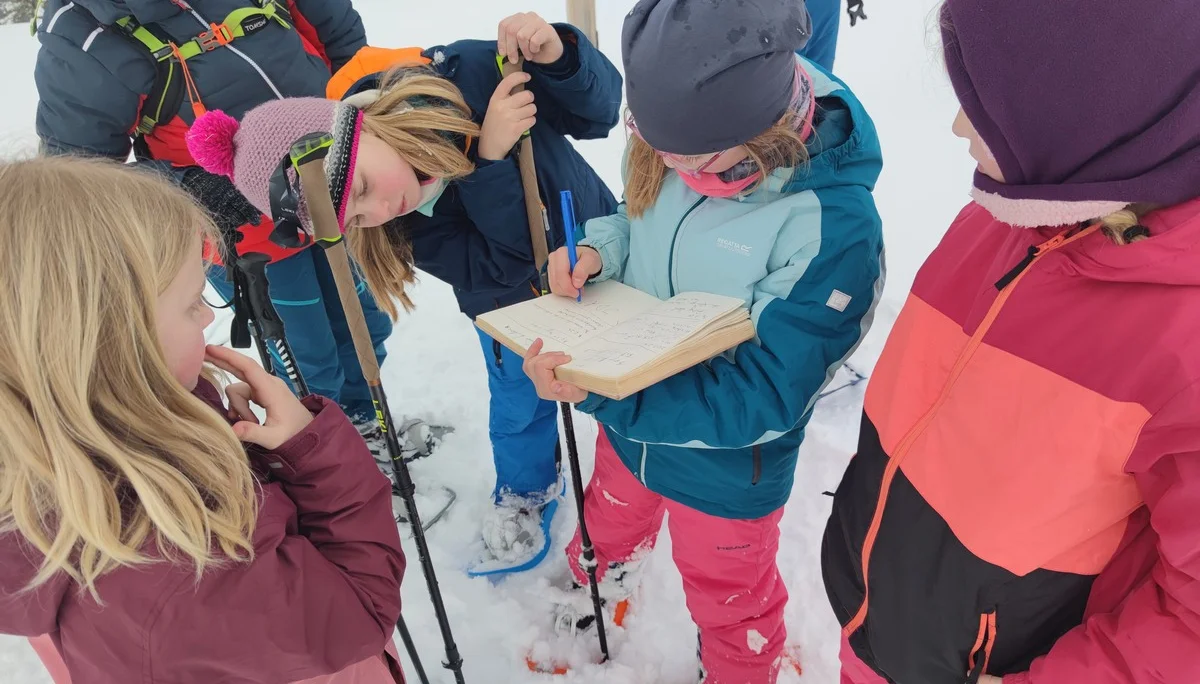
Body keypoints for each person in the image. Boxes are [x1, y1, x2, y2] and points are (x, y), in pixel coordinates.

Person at [822, 2, 1200, 684]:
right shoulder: (1008, 214)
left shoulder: (1182, 338)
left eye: (989, 104)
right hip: (875, 625)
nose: (960, 125)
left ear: (1090, 113)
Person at [521, 1, 884, 680]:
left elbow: (769, 392)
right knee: (613, 510)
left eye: (700, 163)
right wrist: (598, 251)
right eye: (658, 152)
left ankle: (739, 663)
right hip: (632, 427)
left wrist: (614, 395)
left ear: (765, 128)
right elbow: (634, 220)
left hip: (729, 466)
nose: (674, 170)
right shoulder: (672, 133)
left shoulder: (831, 228)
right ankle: (603, 576)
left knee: (728, 587)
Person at [187, 12, 622, 573]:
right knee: (518, 405)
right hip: (512, 311)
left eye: (362, 188)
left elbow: (600, 113)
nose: (378, 212)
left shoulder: (469, 74)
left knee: (622, 388)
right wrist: (486, 161)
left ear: (360, 126)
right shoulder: (404, 223)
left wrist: (558, 56)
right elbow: (508, 261)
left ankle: (629, 493)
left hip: (604, 257)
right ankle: (527, 490)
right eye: (354, 220)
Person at [0, 157, 406, 684]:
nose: (209, 316)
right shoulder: (180, 571)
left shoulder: (86, 454)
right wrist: (311, 453)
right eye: (193, 303)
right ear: (118, 342)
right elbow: (359, 610)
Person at [32, 0, 448, 473]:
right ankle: (321, 456)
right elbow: (81, 182)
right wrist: (188, 190)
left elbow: (343, 40)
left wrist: (364, 117)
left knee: (363, 329)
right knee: (310, 358)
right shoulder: (84, 32)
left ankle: (359, 424)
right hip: (248, 236)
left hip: (348, 199)